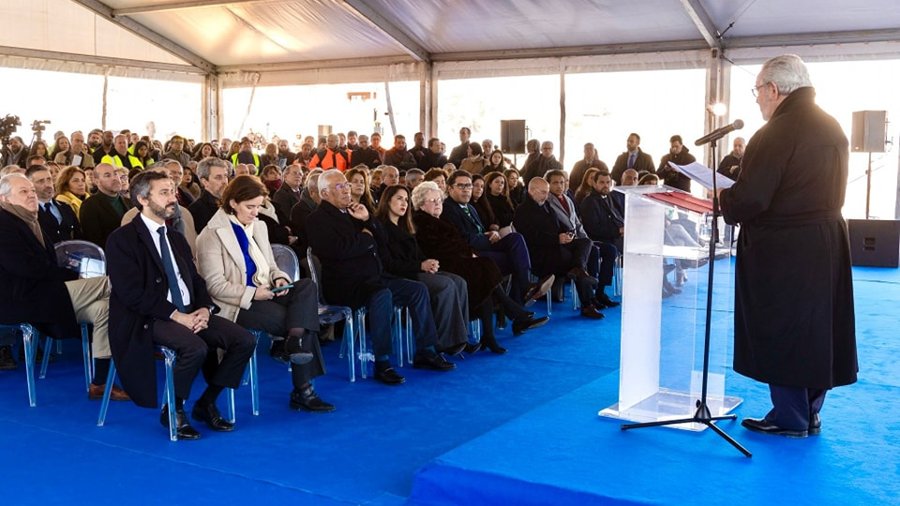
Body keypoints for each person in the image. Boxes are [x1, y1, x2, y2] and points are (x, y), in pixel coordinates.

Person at [718, 54, 857, 438]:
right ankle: (809, 412)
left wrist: (723, 199)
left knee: (784, 326)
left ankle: (789, 416)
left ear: (773, 89)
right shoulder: (831, 125)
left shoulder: (776, 132)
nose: (758, 100)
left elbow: (753, 199)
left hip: (784, 246)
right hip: (827, 238)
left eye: (758, 91)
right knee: (818, 326)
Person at [107, 171, 256, 440]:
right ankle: (173, 409)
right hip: (148, 317)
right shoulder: (122, 239)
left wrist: (204, 308)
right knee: (195, 347)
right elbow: (131, 294)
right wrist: (176, 316)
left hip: (189, 311)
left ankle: (206, 402)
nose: (172, 197)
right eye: (163, 192)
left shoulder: (175, 237)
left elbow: (195, 280)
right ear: (142, 198)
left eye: (173, 191)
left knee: (243, 340)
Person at [196, 175, 333, 412]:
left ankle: (293, 341)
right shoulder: (210, 235)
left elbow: (269, 266)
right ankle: (303, 388)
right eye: (250, 207)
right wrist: (253, 293)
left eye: (259, 206)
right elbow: (215, 286)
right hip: (237, 302)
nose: (256, 212)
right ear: (232, 203)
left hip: (267, 290)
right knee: (299, 320)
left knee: (306, 286)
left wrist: (279, 277)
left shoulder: (258, 226)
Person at [306, 169, 455, 385]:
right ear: (325, 193)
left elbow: (382, 239)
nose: (347, 189)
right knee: (382, 294)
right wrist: (365, 240)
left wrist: (368, 220)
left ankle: (427, 350)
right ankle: (382, 361)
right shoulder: (317, 219)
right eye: (341, 186)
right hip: (346, 284)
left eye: (347, 184)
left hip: (374, 278)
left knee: (417, 289)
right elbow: (338, 251)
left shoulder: (353, 212)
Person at [0, 173, 127, 400]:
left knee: (105, 309)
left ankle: (100, 383)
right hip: (22, 299)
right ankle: (156, 325)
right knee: (115, 283)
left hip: (48, 292)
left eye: (31, 190)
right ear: (5, 199)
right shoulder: (4, 223)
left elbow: (47, 264)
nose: (32, 194)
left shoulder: (29, 220)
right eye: (24, 191)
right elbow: (27, 268)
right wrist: (73, 275)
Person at [412, 182, 549, 348]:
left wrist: (469, 251)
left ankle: (493, 332)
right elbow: (438, 248)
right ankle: (512, 312)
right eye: (431, 201)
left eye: (439, 200)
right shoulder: (422, 221)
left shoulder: (437, 220)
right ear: (420, 204)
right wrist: (468, 252)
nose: (437, 204)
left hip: (457, 259)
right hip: (442, 265)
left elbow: (457, 242)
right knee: (484, 269)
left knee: (485, 273)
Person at [374, 185, 470, 355]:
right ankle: (443, 342)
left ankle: (460, 337)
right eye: (399, 198)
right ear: (387, 201)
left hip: (416, 269)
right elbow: (388, 263)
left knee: (459, 281)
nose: (404, 203)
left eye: (406, 199)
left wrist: (428, 262)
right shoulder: (381, 227)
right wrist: (420, 266)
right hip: (401, 275)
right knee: (445, 285)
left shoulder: (405, 225)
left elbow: (418, 254)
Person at [441, 170, 553, 306]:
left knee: (515, 238)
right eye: (461, 186)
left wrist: (491, 233)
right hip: (470, 253)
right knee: (514, 259)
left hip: (484, 244)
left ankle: (524, 289)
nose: (467, 190)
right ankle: (520, 299)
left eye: (469, 186)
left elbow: (480, 231)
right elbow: (463, 238)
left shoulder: (470, 207)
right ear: (450, 188)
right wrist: (486, 237)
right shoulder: (447, 208)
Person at [514, 178, 604, 319]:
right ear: (531, 191)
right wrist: (556, 239)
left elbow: (560, 226)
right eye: (543, 192)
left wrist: (568, 234)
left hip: (558, 248)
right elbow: (529, 238)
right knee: (574, 260)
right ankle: (588, 303)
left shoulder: (547, 206)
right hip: (540, 254)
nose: (546, 195)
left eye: (547, 192)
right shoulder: (522, 211)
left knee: (586, 243)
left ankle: (579, 270)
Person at [80, 163, 133, 248]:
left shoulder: (130, 202)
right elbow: (94, 240)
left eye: (115, 173)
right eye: (107, 175)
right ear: (97, 181)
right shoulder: (89, 206)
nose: (115, 178)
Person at [27, 165, 82, 244]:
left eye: (49, 179)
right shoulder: (28, 212)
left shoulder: (66, 208)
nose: (47, 184)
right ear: (30, 185)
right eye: (41, 181)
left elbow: (78, 236)